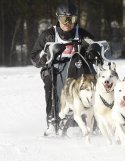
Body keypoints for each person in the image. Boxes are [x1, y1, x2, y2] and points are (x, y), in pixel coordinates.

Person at [30, 2, 97, 135]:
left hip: (78, 69)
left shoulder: (83, 34)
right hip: (54, 69)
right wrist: (47, 54)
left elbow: (95, 50)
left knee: (92, 82)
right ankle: (52, 121)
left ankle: (94, 119)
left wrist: (91, 52)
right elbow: (34, 58)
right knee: (50, 84)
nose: (67, 23)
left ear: (76, 19)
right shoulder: (48, 35)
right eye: (63, 19)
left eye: (71, 19)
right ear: (58, 18)